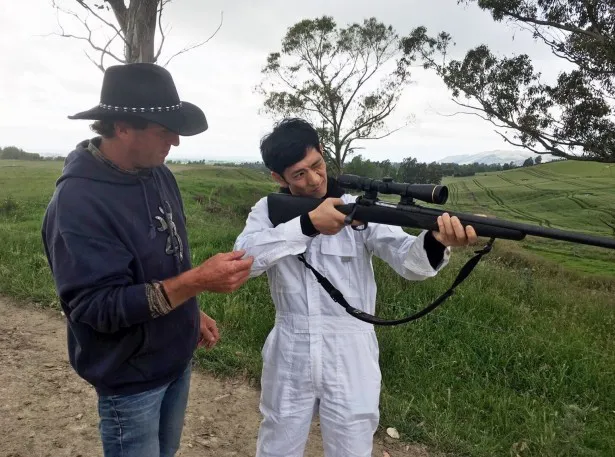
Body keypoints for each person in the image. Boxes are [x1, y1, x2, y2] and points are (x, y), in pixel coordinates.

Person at [41, 62, 254, 457]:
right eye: (163, 131)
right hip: (130, 377)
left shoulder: (158, 174)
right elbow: (96, 307)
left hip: (175, 359)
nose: (175, 141)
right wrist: (196, 282)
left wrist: (191, 311)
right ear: (122, 127)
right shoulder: (78, 202)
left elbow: (168, 262)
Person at [234, 118, 478, 457]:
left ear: (323, 153)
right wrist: (307, 225)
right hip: (290, 346)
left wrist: (436, 240)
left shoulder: (359, 208)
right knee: (278, 442)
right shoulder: (269, 211)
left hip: (352, 350)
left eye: (317, 165)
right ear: (278, 178)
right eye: (299, 175)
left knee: (353, 445)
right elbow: (243, 261)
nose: (315, 180)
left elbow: (409, 261)